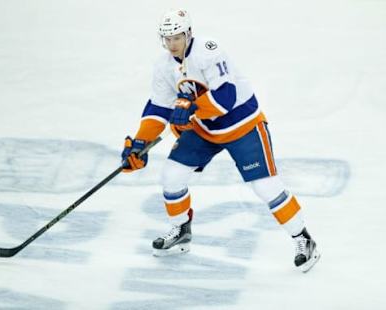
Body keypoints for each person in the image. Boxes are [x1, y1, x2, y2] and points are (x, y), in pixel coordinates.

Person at [121, 9, 320, 272]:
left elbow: (226, 97)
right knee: (171, 176)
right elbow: (158, 108)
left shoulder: (208, 51)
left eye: (177, 37)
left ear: (188, 33)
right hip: (204, 129)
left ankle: (304, 240)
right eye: (167, 39)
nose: (172, 44)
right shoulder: (163, 66)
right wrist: (139, 143)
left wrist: (190, 107)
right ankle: (181, 230)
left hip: (241, 125)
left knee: (265, 186)